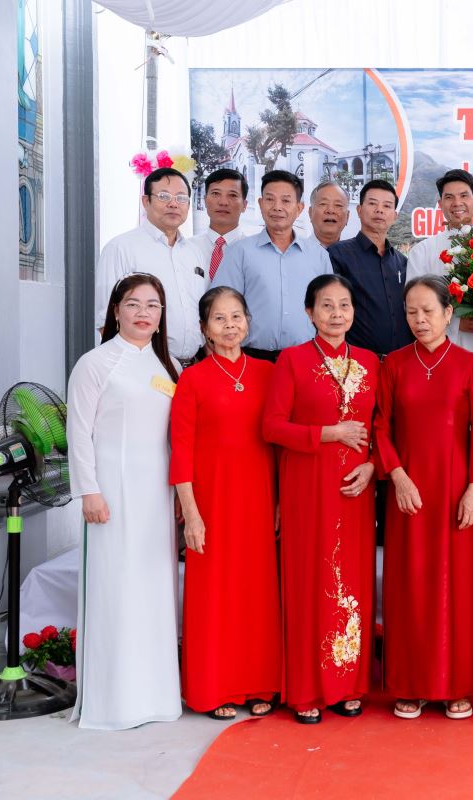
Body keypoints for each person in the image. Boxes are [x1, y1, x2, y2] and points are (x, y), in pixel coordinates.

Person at [262, 274, 379, 724]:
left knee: (352, 582)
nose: (336, 313)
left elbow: (383, 426)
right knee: (309, 580)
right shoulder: (291, 361)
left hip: (355, 491)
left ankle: (348, 684)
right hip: (307, 488)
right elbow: (272, 427)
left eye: (344, 305)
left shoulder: (370, 362)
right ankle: (307, 689)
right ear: (309, 312)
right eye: (326, 305)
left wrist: (372, 465)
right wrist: (329, 433)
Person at [67, 273, 182, 730]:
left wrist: (181, 494)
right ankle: (114, 702)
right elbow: (79, 431)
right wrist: (88, 490)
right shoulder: (95, 363)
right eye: (133, 303)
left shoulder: (169, 366)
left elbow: (175, 437)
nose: (143, 313)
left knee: (153, 589)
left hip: (157, 493)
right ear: (116, 310)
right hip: (112, 492)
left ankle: (154, 697)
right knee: (115, 587)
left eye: (152, 305)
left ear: (161, 315)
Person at [375, 276, 473, 721]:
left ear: (448, 314)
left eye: (428, 311)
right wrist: (397, 476)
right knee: (409, 584)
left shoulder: (469, 365)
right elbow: (381, 425)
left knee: (456, 585)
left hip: (455, 491)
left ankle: (455, 684)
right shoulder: (394, 364)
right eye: (411, 312)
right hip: (408, 492)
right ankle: (410, 683)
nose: (419, 320)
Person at [170, 286, 282, 721]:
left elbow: (278, 443)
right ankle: (214, 688)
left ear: (248, 322)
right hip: (212, 503)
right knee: (214, 597)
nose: (230, 325)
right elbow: (181, 450)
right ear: (205, 329)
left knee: (256, 594)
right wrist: (190, 512)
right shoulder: (193, 379)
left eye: (237, 316)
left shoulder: (268, 373)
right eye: (219, 318)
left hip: (258, 500)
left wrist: (279, 501)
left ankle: (258, 683)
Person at [211, 170, 334, 362]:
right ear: (260, 204)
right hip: (251, 358)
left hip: (306, 358)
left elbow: (329, 310)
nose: (277, 207)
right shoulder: (239, 252)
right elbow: (219, 306)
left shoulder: (318, 256)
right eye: (270, 199)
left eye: (286, 200)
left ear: (299, 208)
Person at [94, 167, 205, 361]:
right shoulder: (120, 248)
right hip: (144, 364)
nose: (173, 204)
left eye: (181, 198)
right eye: (164, 196)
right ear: (146, 201)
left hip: (193, 366)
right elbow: (107, 321)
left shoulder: (194, 253)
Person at [328, 179, 413, 357]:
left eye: (387, 206)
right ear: (359, 210)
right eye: (373, 203)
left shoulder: (403, 263)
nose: (379, 210)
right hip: (356, 362)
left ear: (395, 216)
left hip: (401, 362)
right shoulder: (337, 254)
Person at [405, 169, 473, 356]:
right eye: (449, 197)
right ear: (440, 204)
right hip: (444, 352)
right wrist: (456, 323)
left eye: (464, 196)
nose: (457, 203)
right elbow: (414, 305)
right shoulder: (422, 252)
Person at [189, 168, 249, 280]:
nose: (223, 202)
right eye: (216, 193)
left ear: (244, 205)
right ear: (205, 200)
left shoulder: (254, 252)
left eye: (232, 195)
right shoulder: (188, 248)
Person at [308, 180, 351, 249]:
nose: (330, 210)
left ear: (347, 216)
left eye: (338, 205)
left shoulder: (356, 254)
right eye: (323, 204)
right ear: (310, 213)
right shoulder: (295, 253)